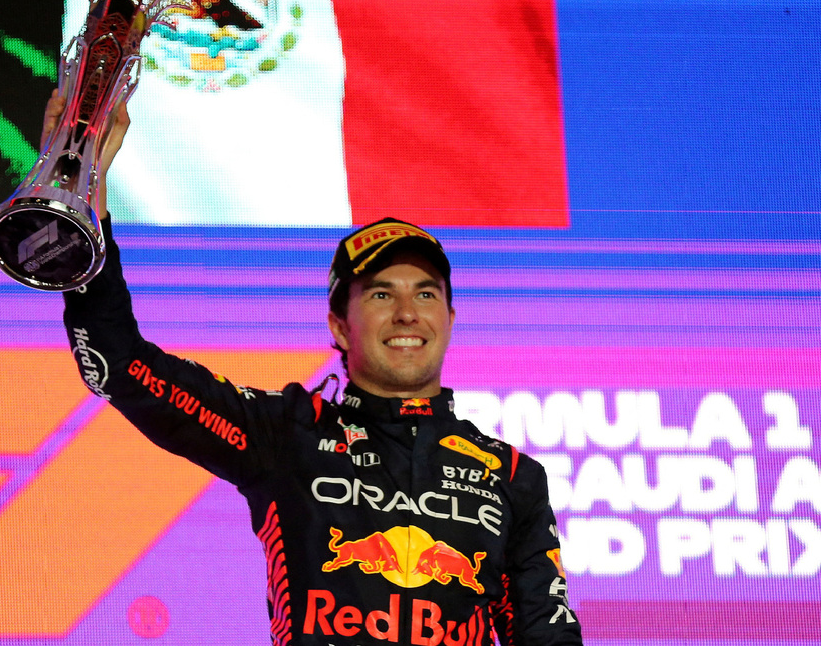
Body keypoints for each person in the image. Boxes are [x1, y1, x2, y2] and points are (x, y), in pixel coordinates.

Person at [52, 92, 582, 645]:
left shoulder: (513, 476)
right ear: (338, 324)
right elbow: (120, 364)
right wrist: (84, 186)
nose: (407, 312)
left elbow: (549, 637)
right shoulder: (286, 434)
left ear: (449, 318)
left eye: (425, 294)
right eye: (380, 294)